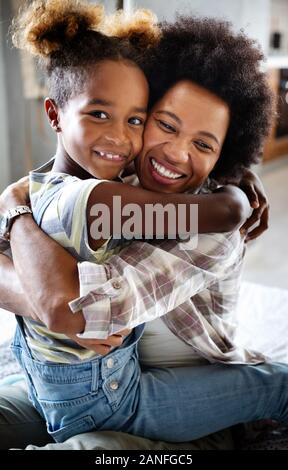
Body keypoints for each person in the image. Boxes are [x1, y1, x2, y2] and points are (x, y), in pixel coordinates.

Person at [0, 5, 284, 449]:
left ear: (223, 156)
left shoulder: (210, 231)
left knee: (91, 449)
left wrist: (17, 213)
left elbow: (76, 309)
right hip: (89, 382)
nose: (174, 153)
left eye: (203, 145)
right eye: (164, 125)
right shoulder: (119, 173)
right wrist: (17, 212)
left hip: (174, 406)